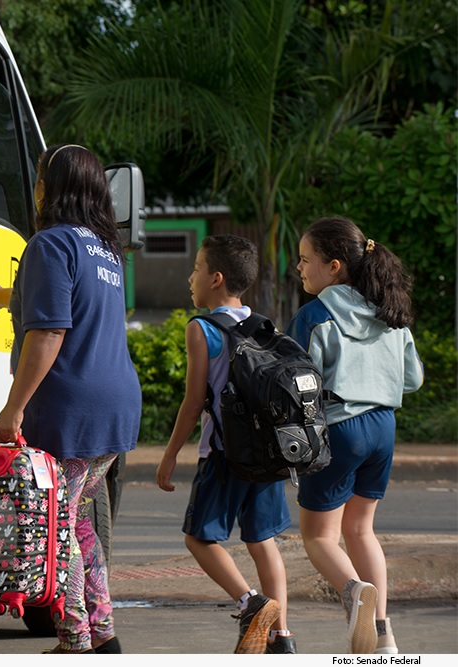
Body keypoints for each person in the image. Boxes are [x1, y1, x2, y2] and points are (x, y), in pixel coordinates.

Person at [0, 144, 141, 654]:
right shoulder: (104, 250)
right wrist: (8, 296)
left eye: (40, 178)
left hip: (72, 410)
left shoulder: (49, 245)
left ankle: (76, 639)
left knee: (55, 528)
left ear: (51, 187)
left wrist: (12, 408)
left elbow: (48, 332)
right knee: (75, 521)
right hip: (114, 408)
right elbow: (71, 302)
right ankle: (103, 633)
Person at [285, 217, 424, 654]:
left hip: (339, 430)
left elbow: (294, 382)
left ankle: (354, 591)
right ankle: (383, 636)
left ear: (334, 266)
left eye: (306, 260)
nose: (300, 268)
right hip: (383, 427)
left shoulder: (315, 316)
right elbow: (413, 379)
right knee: (362, 530)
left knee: (320, 537)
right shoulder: (390, 313)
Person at [155, 235, 296, 654]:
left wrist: (169, 454)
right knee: (261, 541)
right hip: (268, 454)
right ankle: (281, 637)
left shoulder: (202, 328)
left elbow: (194, 400)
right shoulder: (265, 324)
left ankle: (250, 603)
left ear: (216, 279)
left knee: (199, 538)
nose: (190, 276)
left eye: (196, 268)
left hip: (224, 454)